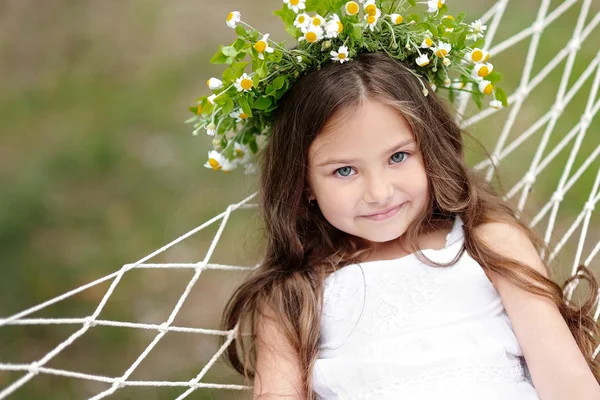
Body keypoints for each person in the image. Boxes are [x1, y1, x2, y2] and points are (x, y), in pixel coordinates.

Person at [191, 2, 600, 399]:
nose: (379, 192)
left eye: (398, 157)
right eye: (345, 171)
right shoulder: (293, 297)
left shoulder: (490, 244)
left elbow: (567, 382)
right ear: (303, 182)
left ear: (430, 149)